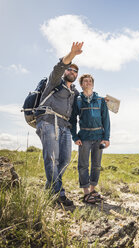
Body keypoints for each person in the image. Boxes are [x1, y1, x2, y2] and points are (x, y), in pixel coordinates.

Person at [36, 42, 84, 206]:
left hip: (64, 126)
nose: (72, 71)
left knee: (64, 160)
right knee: (52, 159)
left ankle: (50, 190)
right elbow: (59, 66)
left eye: (75, 70)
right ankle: (59, 194)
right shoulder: (55, 82)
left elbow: (85, 99)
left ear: (77, 75)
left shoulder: (74, 92)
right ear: (65, 72)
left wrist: (103, 101)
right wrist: (71, 55)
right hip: (48, 121)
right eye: (69, 69)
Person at [70, 73, 110, 204]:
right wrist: (75, 136)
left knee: (96, 165)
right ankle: (86, 193)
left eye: (90, 81)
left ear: (93, 84)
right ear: (81, 85)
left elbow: (106, 120)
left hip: (99, 138)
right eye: (85, 81)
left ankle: (93, 190)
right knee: (83, 165)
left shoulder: (100, 100)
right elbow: (72, 120)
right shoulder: (78, 100)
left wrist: (106, 137)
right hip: (84, 138)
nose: (88, 83)